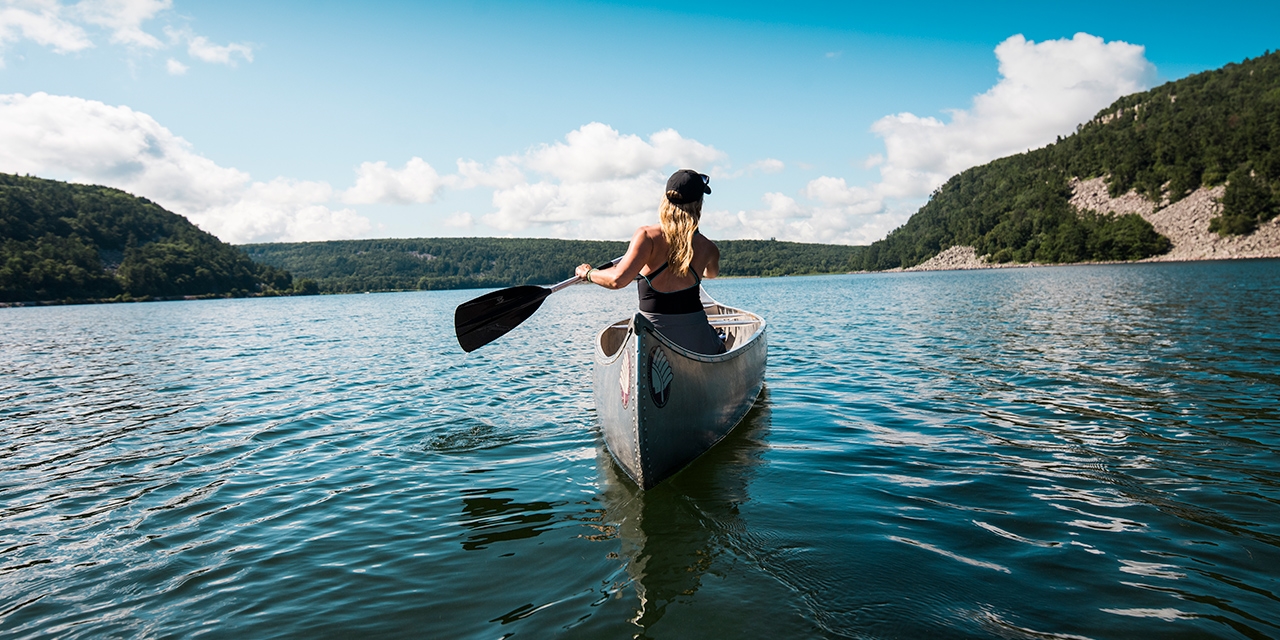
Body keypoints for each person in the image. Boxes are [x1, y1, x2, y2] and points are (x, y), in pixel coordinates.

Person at [575, 169, 726, 355]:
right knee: (718, 341)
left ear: (665, 200)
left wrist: (589, 274)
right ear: (698, 205)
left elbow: (617, 279)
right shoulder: (708, 248)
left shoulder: (646, 236)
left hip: (652, 341)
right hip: (697, 341)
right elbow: (711, 274)